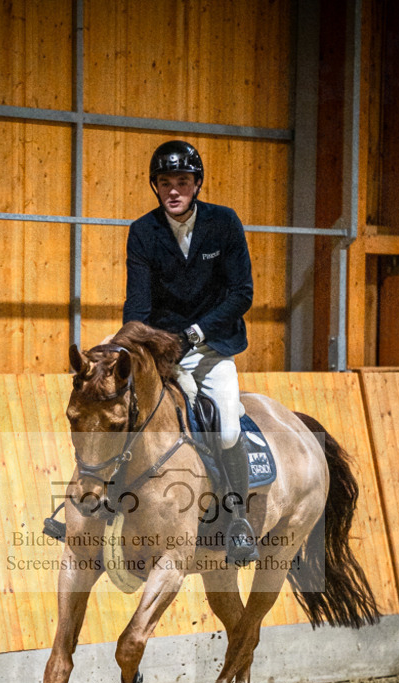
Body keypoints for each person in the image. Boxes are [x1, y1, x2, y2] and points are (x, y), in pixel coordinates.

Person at [123, 139, 258, 564]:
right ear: (156, 187)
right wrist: (127, 342)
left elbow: (242, 294)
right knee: (121, 411)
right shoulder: (143, 232)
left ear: (197, 184)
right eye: (165, 183)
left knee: (229, 426)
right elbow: (137, 305)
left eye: (183, 181)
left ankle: (237, 520)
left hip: (213, 345)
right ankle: (104, 505)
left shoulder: (224, 223)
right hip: (163, 351)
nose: (174, 191)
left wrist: (196, 334)